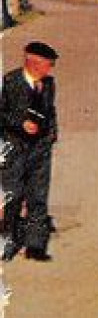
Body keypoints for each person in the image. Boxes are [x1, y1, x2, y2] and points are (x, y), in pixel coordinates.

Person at [1, 41, 60, 262]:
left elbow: (50, 110)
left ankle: (35, 246)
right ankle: (8, 241)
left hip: (40, 149)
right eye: (48, 64)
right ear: (34, 63)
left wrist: (51, 134)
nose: (50, 69)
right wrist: (20, 123)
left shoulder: (49, 84)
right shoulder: (10, 82)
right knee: (13, 196)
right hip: (15, 148)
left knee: (38, 196)